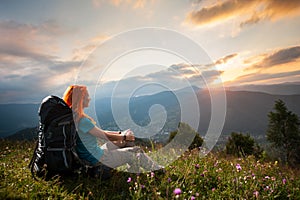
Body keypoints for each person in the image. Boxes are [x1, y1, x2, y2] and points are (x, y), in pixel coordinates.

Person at [62, 85, 163, 173]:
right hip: (98, 159)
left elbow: (101, 132)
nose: (89, 98)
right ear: (81, 99)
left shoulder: (73, 117)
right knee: (136, 151)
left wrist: (120, 134)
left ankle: (133, 171)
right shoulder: (82, 120)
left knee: (125, 141)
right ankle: (158, 170)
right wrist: (124, 136)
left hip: (92, 154)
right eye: (87, 96)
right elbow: (104, 136)